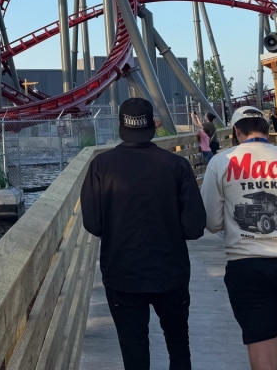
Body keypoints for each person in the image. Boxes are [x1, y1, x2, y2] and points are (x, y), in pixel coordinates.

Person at [81, 98, 206, 370]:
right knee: (178, 346)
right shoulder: (177, 166)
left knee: (134, 351)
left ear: (119, 125)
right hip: (170, 271)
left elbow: (93, 223)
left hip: (122, 272)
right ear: (152, 125)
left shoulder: (100, 167)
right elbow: (195, 228)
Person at [200, 106, 277, 370]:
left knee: (262, 349)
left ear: (236, 131)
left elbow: (211, 222)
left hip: (247, 266)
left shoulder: (221, 163)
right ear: (266, 130)